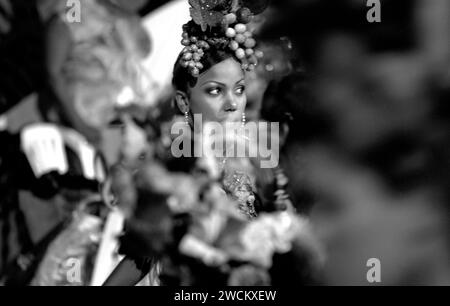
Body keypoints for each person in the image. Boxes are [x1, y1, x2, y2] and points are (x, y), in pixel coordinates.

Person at [103, 1, 273, 285]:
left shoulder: (263, 149)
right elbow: (146, 251)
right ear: (184, 102)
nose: (232, 103)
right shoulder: (180, 162)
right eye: (215, 91)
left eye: (239, 90)